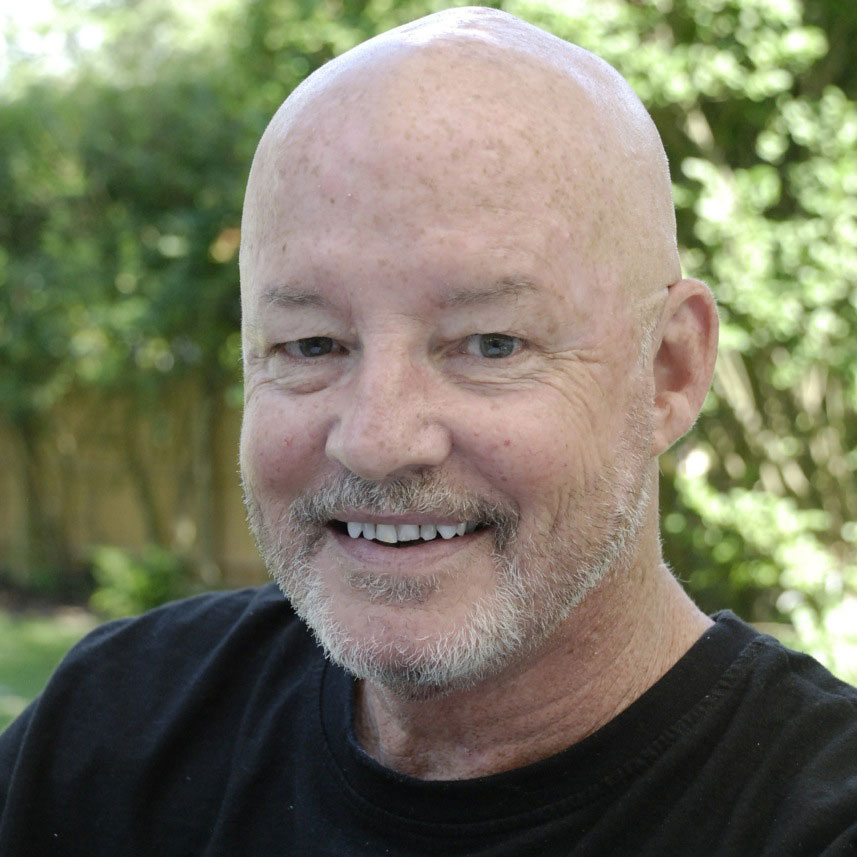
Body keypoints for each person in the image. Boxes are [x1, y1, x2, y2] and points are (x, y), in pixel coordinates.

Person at [2, 7, 856, 855]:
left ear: (667, 370)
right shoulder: (108, 741)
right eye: (311, 344)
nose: (377, 440)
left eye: (490, 343)